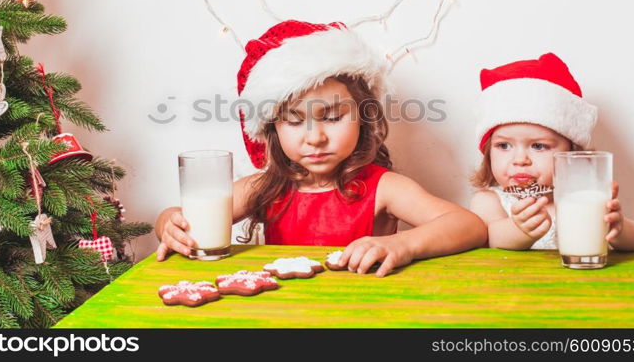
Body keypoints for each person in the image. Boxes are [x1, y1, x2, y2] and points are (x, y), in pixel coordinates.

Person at [156, 20, 487, 276]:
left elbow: (469, 226)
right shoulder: (265, 187)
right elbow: (186, 221)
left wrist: (403, 244)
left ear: (363, 117)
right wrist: (168, 222)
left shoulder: (384, 188)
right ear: (272, 128)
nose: (315, 137)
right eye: (295, 121)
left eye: (332, 116)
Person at [469, 52, 634, 251]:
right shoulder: (489, 201)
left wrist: (620, 231)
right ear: (488, 152)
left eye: (538, 146)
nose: (520, 160)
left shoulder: (581, 199)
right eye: (504, 146)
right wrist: (520, 230)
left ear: (571, 153)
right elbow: (491, 238)